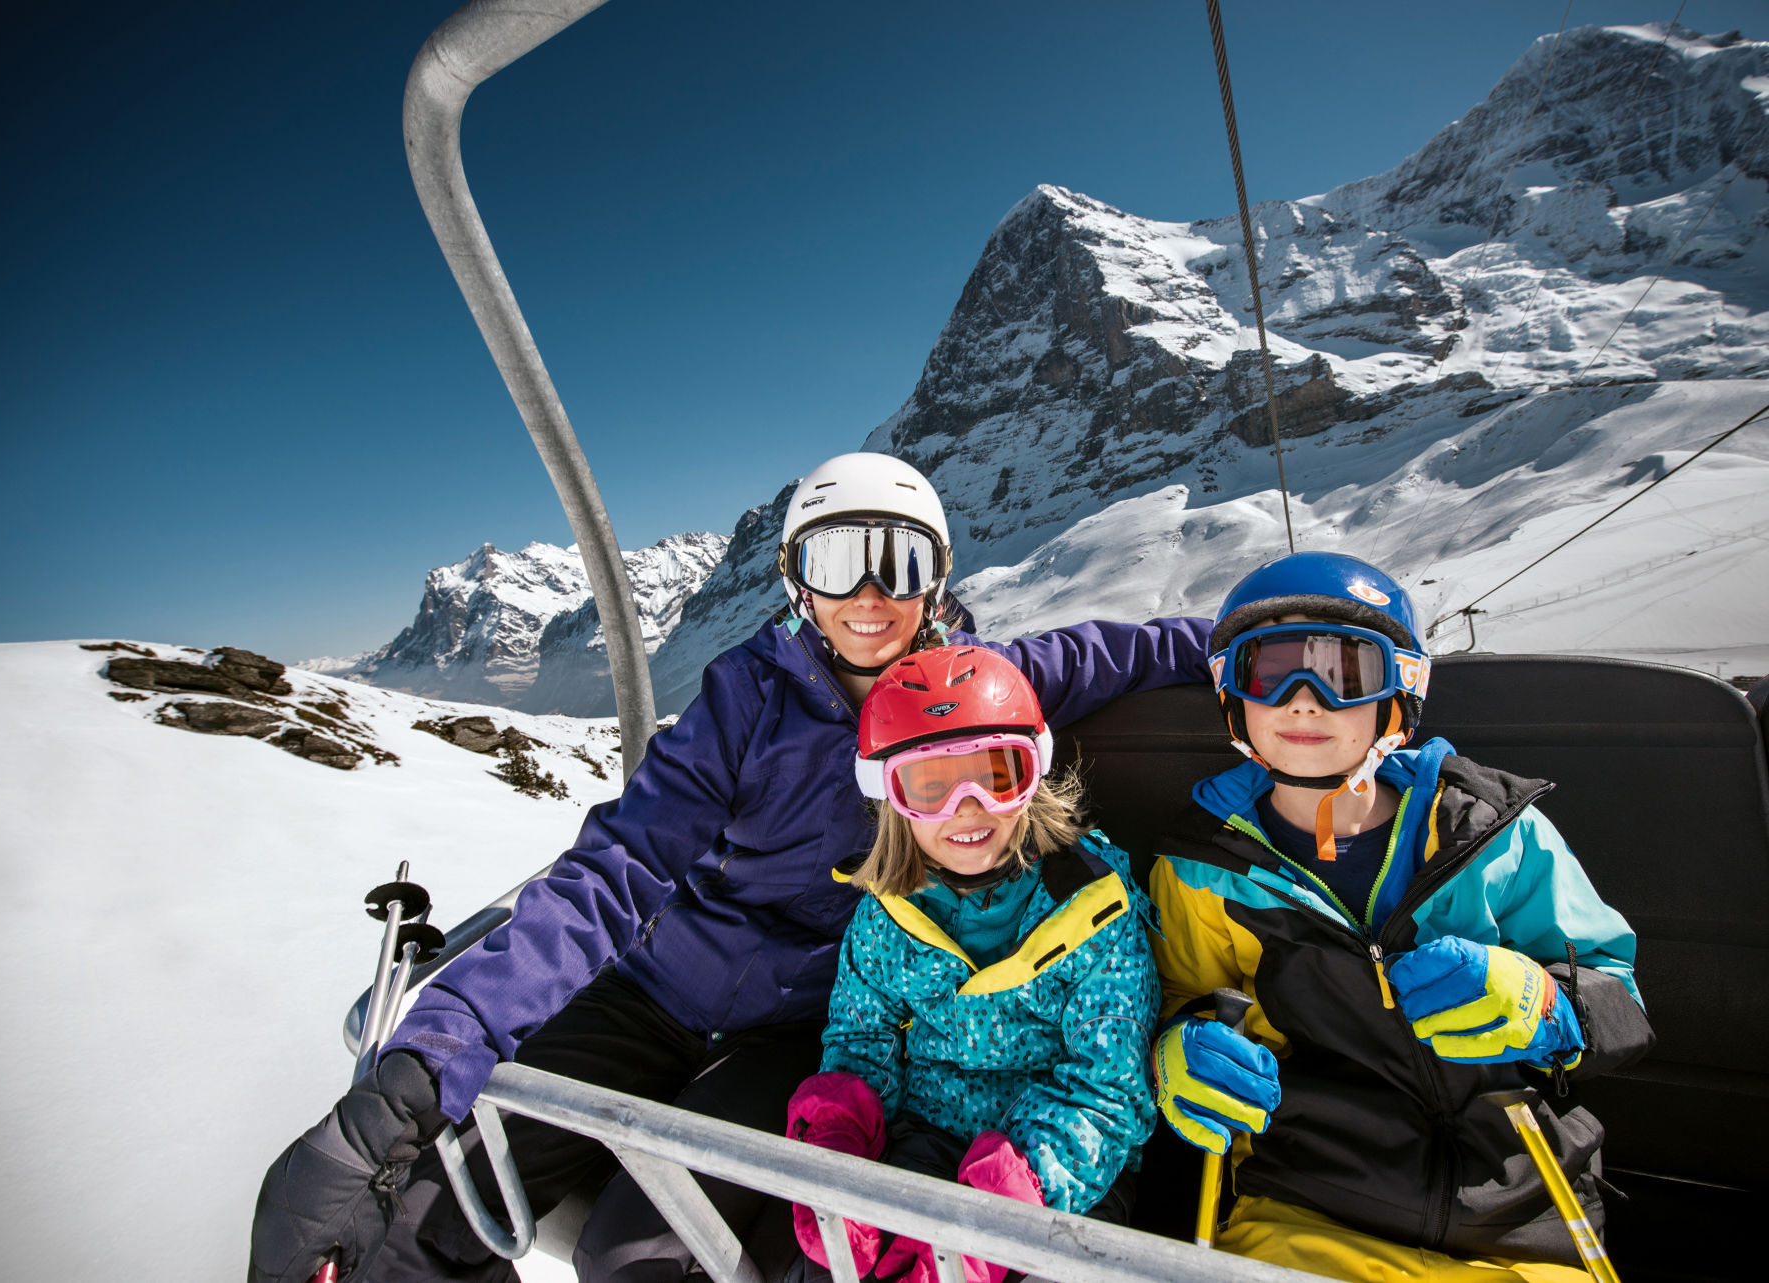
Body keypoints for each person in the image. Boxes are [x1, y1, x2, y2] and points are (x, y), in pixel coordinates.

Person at [249, 452, 1213, 1283]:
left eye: (900, 561)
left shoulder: (975, 694)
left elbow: (1134, 649)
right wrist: (423, 1065)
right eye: (838, 562)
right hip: (658, 989)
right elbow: (618, 866)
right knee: (437, 1204)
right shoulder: (746, 699)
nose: (871, 596)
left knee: (646, 1256)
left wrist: (1291, 663)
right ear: (796, 580)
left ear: (938, 578)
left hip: (798, 1029)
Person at [1143, 551, 1654, 1282]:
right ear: (1233, 695)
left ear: (1401, 689)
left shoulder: (1492, 836)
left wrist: (1546, 1005)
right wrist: (1179, 1052)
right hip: (1307, 1206)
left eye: (1344, 673)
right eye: (1270, 672)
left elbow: (1621, 1001)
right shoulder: (1202, 868)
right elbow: (1180, 998)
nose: (1303, 700)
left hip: (1519, 1220)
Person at [786, 647, 1158, 1283]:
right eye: (930, 785)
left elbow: (1107, 1088)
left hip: (1062, 1171)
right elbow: (861, 1036)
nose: (966, 807)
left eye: (994, 774)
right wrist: (842, 1143)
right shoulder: (888, 914)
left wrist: (1010, 1202)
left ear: (1032, 775)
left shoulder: (1094, 909)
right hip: (924, 1137)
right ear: (892, 798)